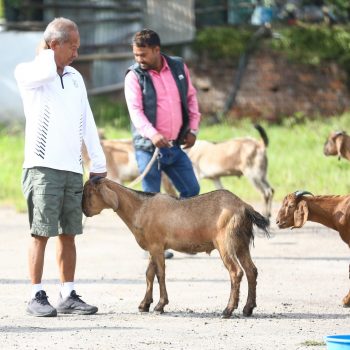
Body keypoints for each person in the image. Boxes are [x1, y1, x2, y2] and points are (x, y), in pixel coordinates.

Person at [14, 17, 107, 317]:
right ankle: (36, 295)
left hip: (71, 169)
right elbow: (44, 70)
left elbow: (87, 120)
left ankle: (68, 294)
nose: (76, 54)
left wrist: (98, 160)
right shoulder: (29, 72)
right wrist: (48, 54)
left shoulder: (76, 78)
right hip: (42, 168)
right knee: (41, 232)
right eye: (73, 47)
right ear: (54, 45)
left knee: (69, 233)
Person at [124, 29, 201, 259]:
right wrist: (151, 133)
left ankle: (186, 239)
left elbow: (191, 98)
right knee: (151, 198)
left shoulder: (178, 67)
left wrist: (193, 129)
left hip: (175, 146)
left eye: (143, 54)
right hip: (149, 148)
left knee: (192, 190)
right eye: (136, 55)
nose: (139, 59)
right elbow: (135, 112)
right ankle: (154, 246)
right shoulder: (134, 76)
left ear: (157, 50)